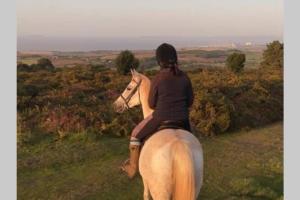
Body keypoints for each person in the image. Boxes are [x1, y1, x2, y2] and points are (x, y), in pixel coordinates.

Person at [121, 43, 194, 178]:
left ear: (159, 61)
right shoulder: (185, 77)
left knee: (135, 134)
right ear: (175, 58)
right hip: (183, 120)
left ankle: (132, 168)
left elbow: (151, 104)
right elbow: (190, 101)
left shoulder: (158, 78)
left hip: (161, 117)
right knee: (193, 141)